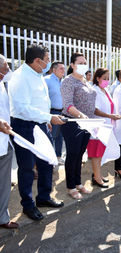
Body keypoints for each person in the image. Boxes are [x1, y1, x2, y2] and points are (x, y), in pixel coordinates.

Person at [9, 44, 65, 221]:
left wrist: (45, 120)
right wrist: (48, 117)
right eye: (47, 60)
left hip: (40, 124)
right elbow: (22, 109)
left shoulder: (38, 74)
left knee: (46, 162)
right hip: (23, 126)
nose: (48, 64)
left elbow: (41, 100)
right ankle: (28, 205)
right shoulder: (20, 77)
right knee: (26, 167)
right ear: (37, 61)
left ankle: (44, 197)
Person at [61, 52, 96, 199]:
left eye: (85, 62)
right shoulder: (68, 81)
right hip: (73, 123)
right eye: (80, 62)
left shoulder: (85, 81)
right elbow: (67, 104)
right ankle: (71, 186)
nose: (83, 65)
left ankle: (78, 183)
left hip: (87, 124)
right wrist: (81, 116)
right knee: (73, 154)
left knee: (81, 154)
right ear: (72, 65)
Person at [87, 68, 121, 187]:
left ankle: (98, 175)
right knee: (96, 154)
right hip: (98, 126)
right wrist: (110, 115)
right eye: (104, 78)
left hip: (106, 126)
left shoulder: (106, 90)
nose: (107, 81)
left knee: (101, 153)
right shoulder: (95, 91)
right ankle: (97, 178)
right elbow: (95, 110)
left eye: (108, 78)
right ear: (97, 78)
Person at [0, 54, 19, 229]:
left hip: (5, 141)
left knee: (4, 182)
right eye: (5, 66)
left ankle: (2, 217)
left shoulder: (2, 84)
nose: (8, 70)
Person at [44, 61, 66, 165]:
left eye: (64, 68)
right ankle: (49, 158)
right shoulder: (46, 80)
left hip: (62, 112)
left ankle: (58, 156)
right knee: (50, 136)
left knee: (60, 136)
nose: (63, 70)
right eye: (61, 68)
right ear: (54, 70)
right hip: (51, 112)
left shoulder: (63, 81)